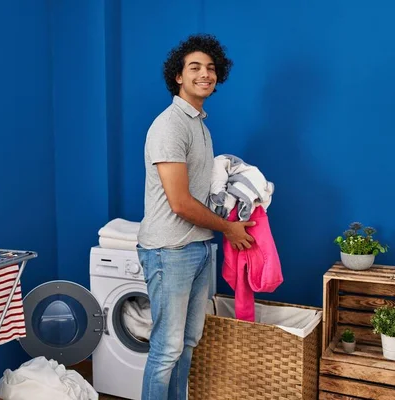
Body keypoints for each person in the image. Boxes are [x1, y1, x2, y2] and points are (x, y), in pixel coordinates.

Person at [136, 34, 256, 400]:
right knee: (167, 349)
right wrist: (229, 229)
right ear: (178, 76)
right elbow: (180, 203)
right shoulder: (170, 125)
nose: (205, 74)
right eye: (195, 68)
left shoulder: (199, 125)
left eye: (211, 68)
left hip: (198, 247)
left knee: (187, 343)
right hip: (169, 251)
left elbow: (201, 194)